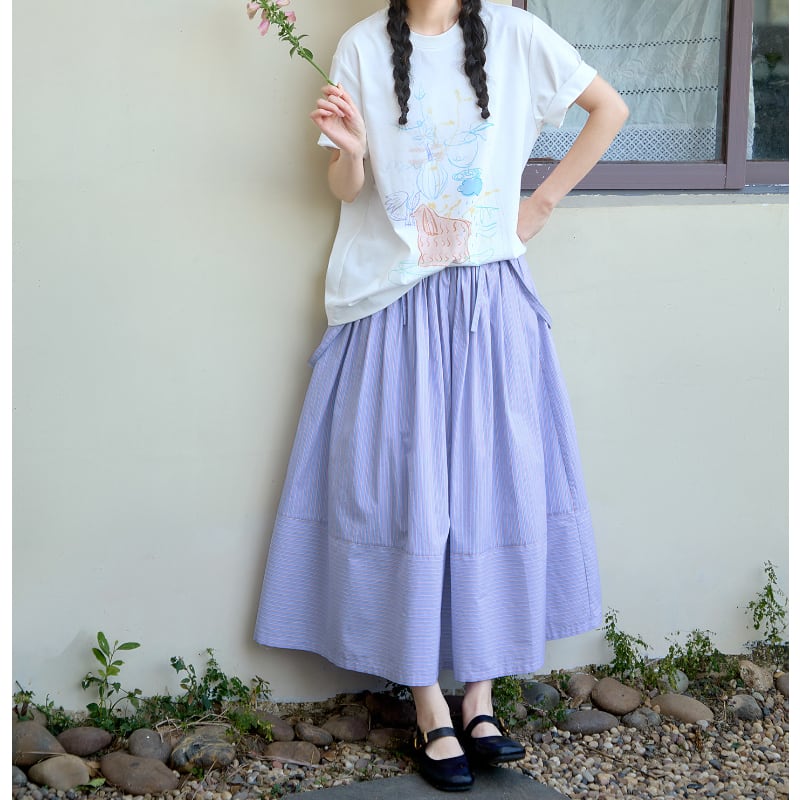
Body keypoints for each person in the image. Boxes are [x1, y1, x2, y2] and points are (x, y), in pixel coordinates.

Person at [255, 0, 628, 791]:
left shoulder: (517, 35)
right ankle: (429, 704)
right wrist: (352, 152)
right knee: (409, 497)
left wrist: (539, 204)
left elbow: (610, 109)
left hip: (489, 299)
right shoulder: (362, 45)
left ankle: (480, 700)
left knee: (493, 491)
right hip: (393, 305)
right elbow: (345, 187)